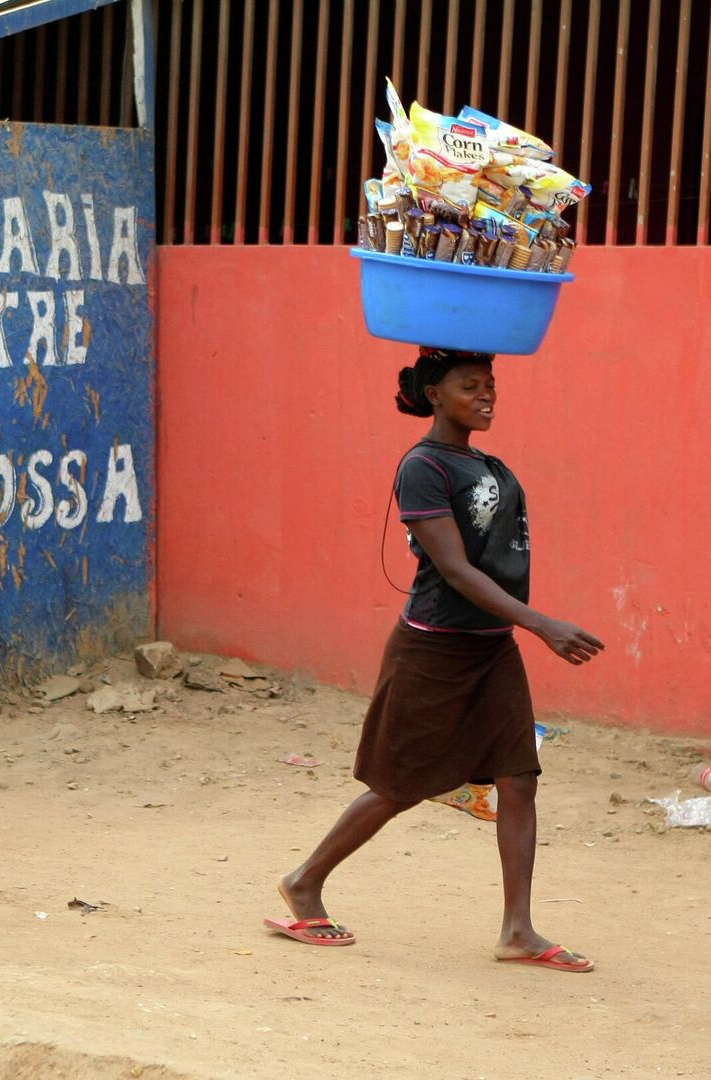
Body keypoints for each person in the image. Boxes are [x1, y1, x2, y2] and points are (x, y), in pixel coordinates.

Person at [267, 347, 606, 972]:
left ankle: (517, 931)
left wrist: (518, 625)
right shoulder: (423, 467)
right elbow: (453, 568)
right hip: (433, 649)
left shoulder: (489, 464)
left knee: (518, 780)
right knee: (399, 785)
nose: (487, 396)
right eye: (470, 386)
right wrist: (541, 624)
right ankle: (305, 881)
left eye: (491, 384)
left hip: (490, 648)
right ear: (434, 395)